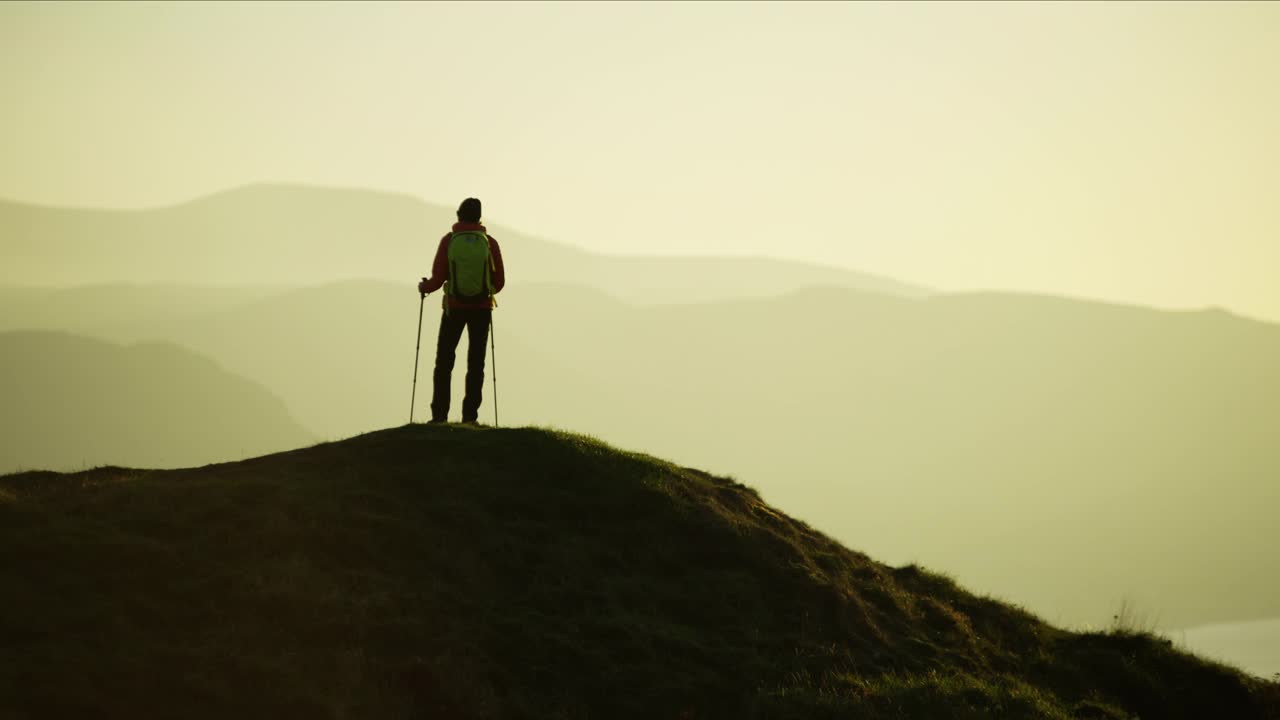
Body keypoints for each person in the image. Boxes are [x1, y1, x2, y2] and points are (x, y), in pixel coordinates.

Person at [417, 197, 505, 424]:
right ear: (479, 217)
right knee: (476, 364)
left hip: (453, 308)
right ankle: (470, 417)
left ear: (459, 215)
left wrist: (424, 287)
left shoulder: (449, 241)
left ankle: (439, 417)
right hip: (481, 309)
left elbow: (438, 278)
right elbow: (500, 282)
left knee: (444, 362)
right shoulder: (489, 242)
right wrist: (485, 291)